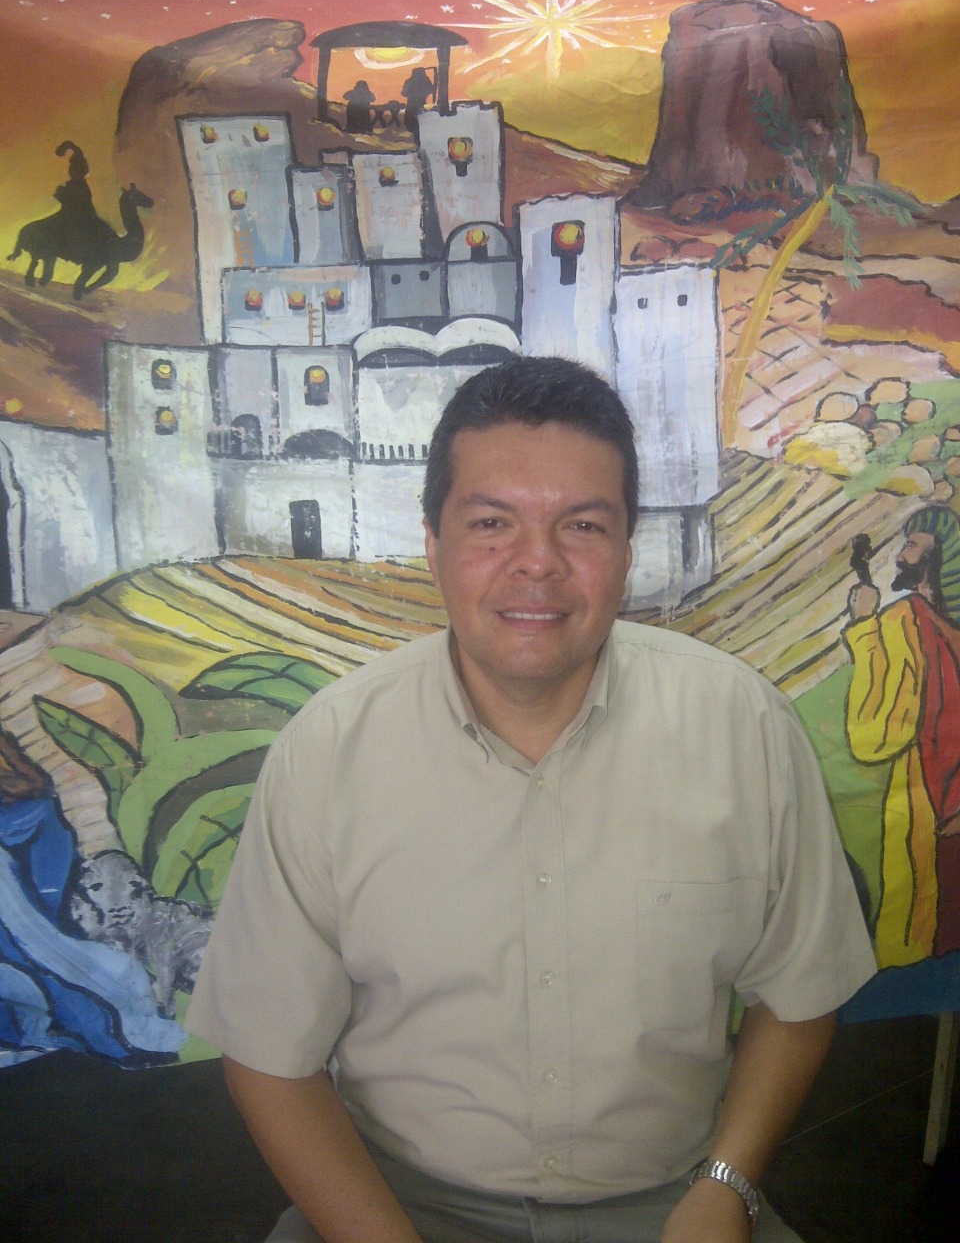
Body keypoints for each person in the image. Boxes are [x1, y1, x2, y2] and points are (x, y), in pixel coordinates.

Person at [187, 356, 876, 1243]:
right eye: (491, 524)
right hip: (391, 1201)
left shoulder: (745, 728)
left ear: (627, 550)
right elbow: (268, 1056)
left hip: (677, 1198)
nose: (538, 565)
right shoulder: (327, 753)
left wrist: (727, 1185)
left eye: (582, 526)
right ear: (432, 543)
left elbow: (800, 996)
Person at [845, 505, 960, 966]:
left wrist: (862, 626)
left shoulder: (905, 620)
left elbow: (875, 734)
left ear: (935, 561)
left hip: (928, 810)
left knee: (920, 939)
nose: (900, 556)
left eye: (911, 546)